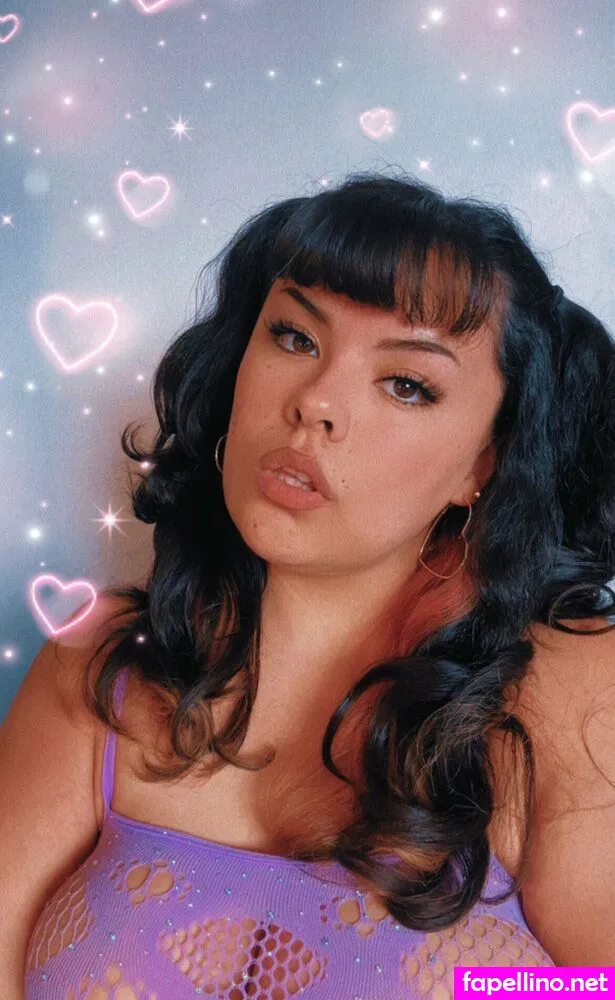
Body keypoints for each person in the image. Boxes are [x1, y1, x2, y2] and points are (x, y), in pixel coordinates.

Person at [2, 169, 615, 998]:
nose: (316, 402)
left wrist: (491, 990)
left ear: (484, 465)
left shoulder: (565, 689)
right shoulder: (100, 664)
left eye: (406, 384)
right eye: (294, 337)